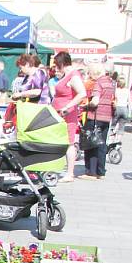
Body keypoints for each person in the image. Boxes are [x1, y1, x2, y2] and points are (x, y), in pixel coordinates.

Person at [51, 51, 87, 183]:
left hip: (67, 114)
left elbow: (82, 93)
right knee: (65, 142)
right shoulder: (68, 75)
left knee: (70, 143)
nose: (55, 68)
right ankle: (63, 170)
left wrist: (67, 107)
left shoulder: (73, 75)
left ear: (61, 63)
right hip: (61, 113)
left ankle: (70, 173)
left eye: (56, 65)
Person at [79, 62, 114, 180]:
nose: (89, 75)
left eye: (90, 73)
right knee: (102, 144)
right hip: (106, 117)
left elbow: (95, 101)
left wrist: (86, 106)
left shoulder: (98, 83)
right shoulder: (109, 82)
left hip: (95, 117)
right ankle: (101, 171)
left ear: (95, 72)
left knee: (91, 143)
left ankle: (91, 172)